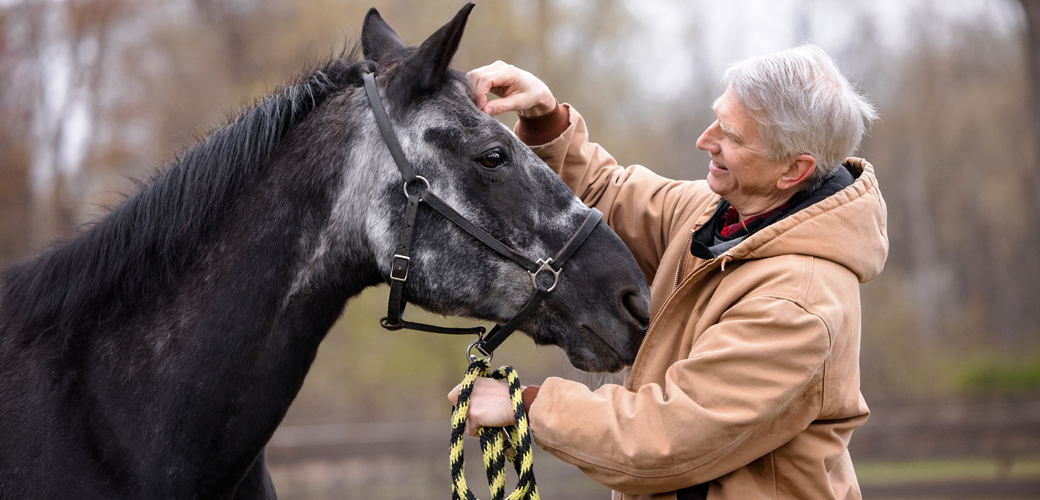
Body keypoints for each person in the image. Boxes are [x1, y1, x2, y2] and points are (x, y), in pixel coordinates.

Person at [449, 44, 887, 500]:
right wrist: (544, 116)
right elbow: (606, 193)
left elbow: (662, 440)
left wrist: (525, 407)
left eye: (732, 137)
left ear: (794, 170)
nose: (706, 139)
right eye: (717, 117)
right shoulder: (721, 214)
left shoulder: (797, 303)